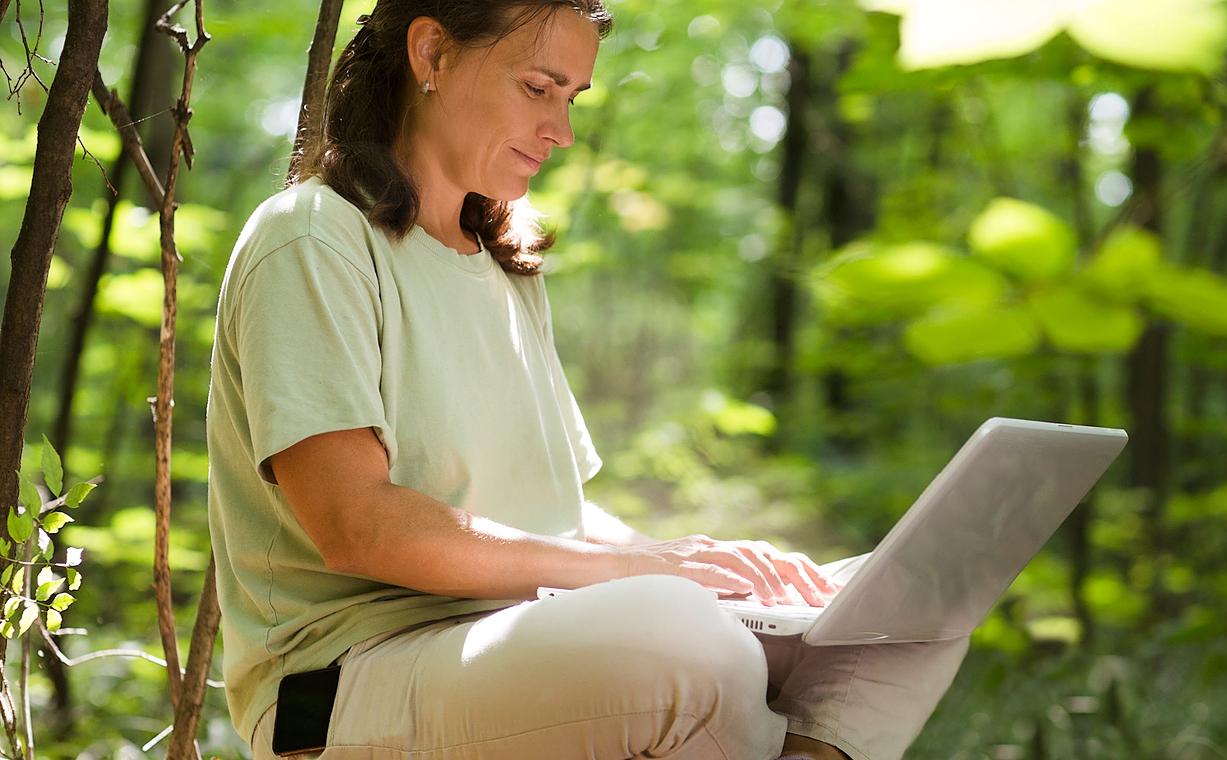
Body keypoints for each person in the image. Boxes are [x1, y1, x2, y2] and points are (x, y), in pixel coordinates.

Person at [204, 1, 969, 757]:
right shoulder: (310, 239)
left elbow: (555, 512)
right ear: (431, 54)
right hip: (345, 680)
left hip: (516, 640)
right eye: (538, 89)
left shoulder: (503, 267)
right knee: (688, 645)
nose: (561, 133)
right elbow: (356, 524)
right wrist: (638, 575)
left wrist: (700, 563)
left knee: (902, 602)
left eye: (572, 99)